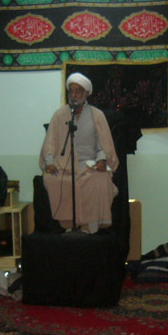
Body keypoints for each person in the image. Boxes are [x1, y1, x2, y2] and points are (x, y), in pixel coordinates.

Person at [40, 72, 119, 234]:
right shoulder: (60, 115)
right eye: (71, 91)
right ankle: (69, 223)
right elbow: (50, 143)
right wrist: (50, 163)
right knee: (51, 178)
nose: (73, 95)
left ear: (86, 94)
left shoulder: (96, 115)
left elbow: (103, 144)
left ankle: (91, 223)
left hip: (89, 165)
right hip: (63, 165)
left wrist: (101, 160)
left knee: (101, 179)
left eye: (78, 91)